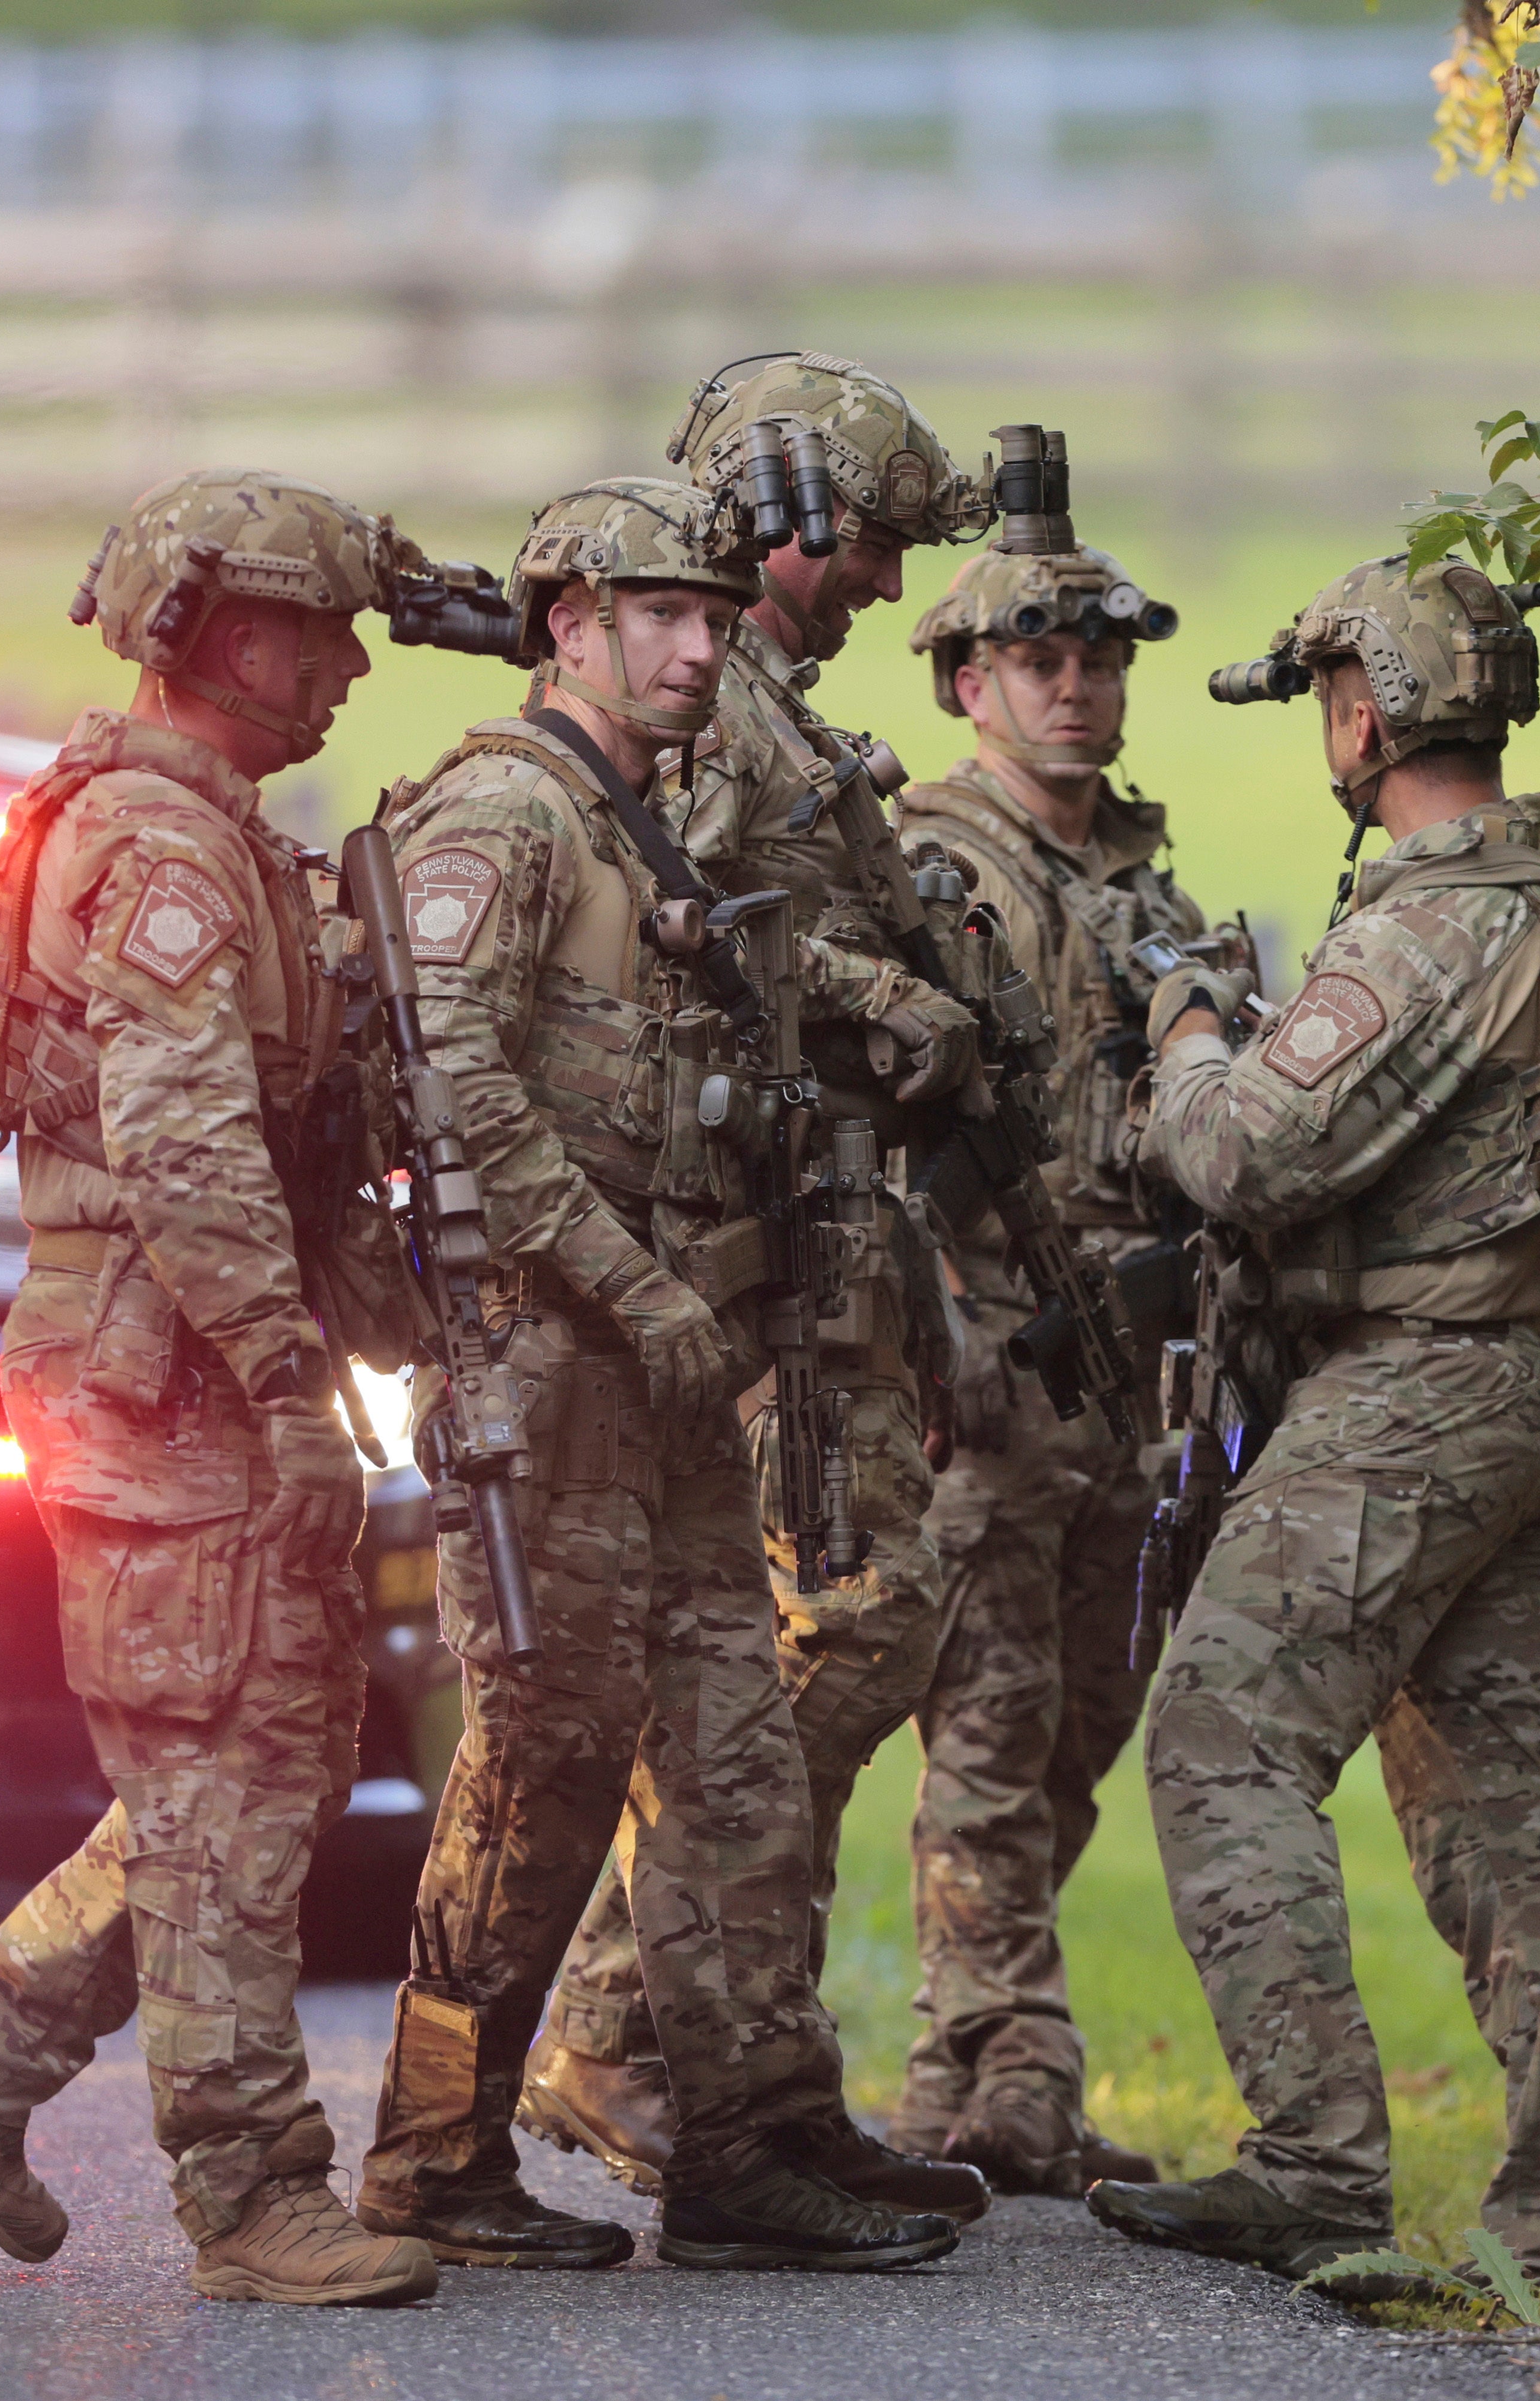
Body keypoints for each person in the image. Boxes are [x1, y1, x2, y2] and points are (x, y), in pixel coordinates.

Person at [350, 477, 966, 2272]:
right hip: (553, 1364)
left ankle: (752, 2141)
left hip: (677, 1367)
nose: (707, 645)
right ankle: (433, 2155)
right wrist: (631, 1286)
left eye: (715, 615)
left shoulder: (644, 824)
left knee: (738, 1757)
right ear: (571, 626)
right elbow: (455, 1077)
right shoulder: (506, 811)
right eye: (665, 617)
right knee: (545, 1758)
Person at [0, 469, 436, 2308]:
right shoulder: (161, 852)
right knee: (224, 1790)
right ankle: (251, 2193)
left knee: (256, 1759)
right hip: (166, 1378)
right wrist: (283, 1389)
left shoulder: (227, 834)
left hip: (195, 1364)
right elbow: (190, 1155)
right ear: (209, 632)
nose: (345, 664)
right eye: (309, 628)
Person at [1088, 558, 1540, 2276]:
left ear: (1363, 716)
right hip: (1520, 1387)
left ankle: (1318, 2160)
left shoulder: (1429, 924)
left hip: (1411, 1392)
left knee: (1220, 1734)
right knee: (1503, 1804)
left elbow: (1246, 1151)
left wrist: (1186, 1031)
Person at [514, 354, 993, 2221]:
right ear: (783, 520)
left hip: (824, 1235)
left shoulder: (775, 708)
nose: (883, 582)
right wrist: (897, 1007)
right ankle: (640, 2031)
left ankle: (733, 2067)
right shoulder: (712, 717)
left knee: (803, 1647)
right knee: (824, 1636)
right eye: (867, 543)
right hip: (733, 1255)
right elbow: (694, 945)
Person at [883, 534, 1231, 2195]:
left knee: (1086, 1717)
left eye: (1099, 659)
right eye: (1041, 660)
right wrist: (927, 1341)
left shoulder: (1146, 889)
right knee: (991, 1724)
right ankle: (1014, 2062)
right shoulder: (922, 869)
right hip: (983, 1360)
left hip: (1131, 1371)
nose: (1078, 687)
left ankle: (960, 2068)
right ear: (971, 685)